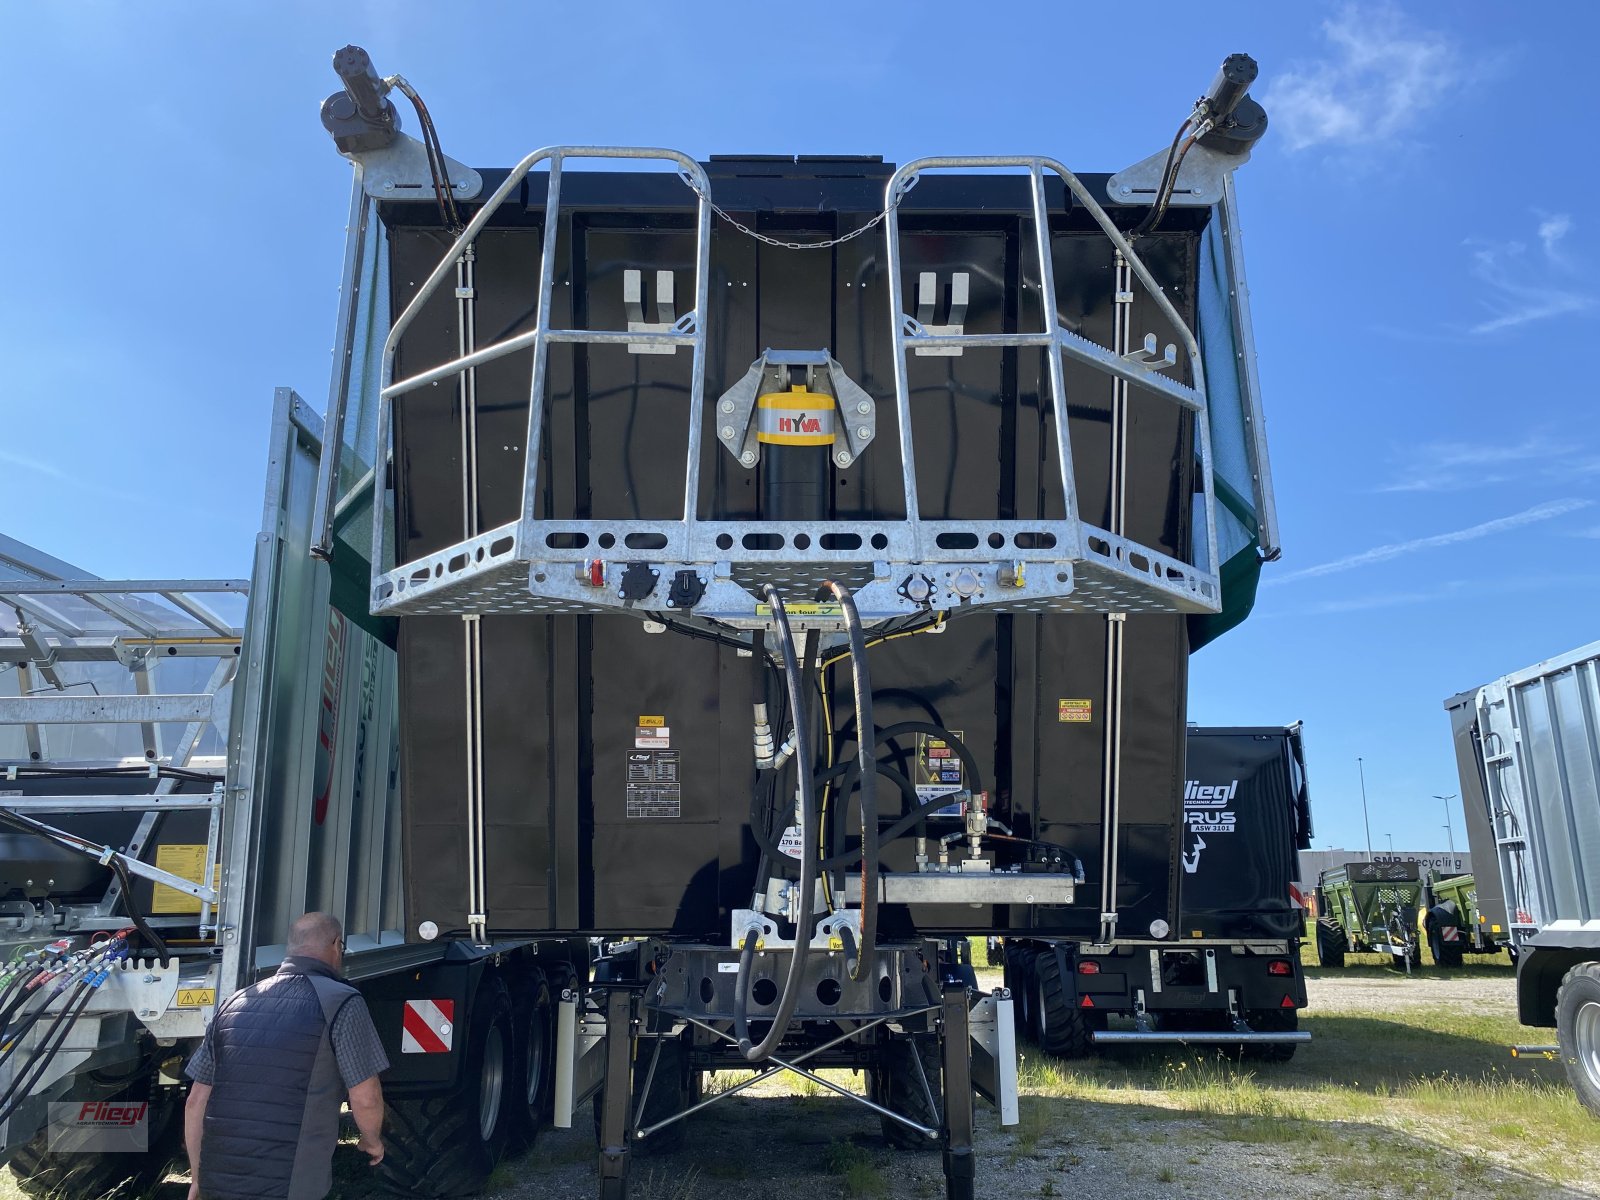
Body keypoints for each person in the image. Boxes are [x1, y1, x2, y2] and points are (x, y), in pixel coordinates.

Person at [184, 913, 388, 1200]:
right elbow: (365, 1096)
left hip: (219, 1184)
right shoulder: (342, 1002)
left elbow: (196, 1102)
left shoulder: (235, 1002)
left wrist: (198, 1177)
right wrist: (372, 1140)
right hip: (290, 1186)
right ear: (336, 945)